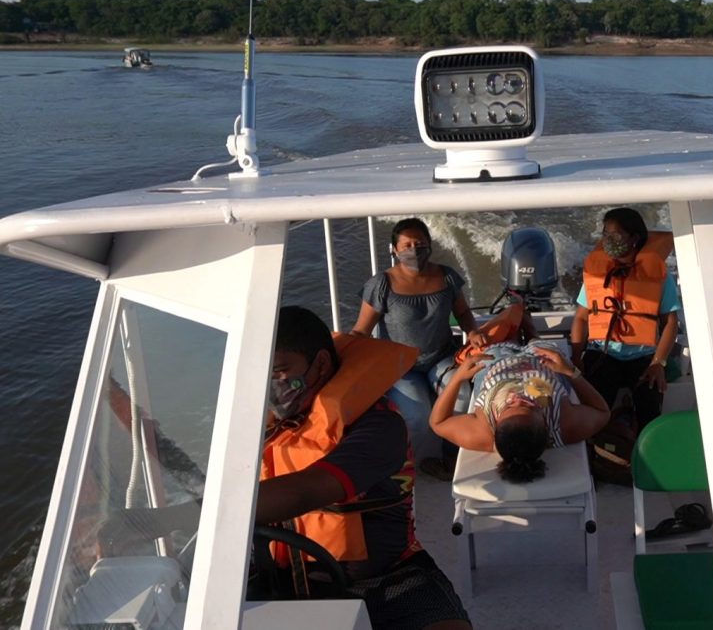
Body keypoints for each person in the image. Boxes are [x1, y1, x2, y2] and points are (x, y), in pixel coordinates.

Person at [101, 306, 472, 630]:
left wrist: (161, 520)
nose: (269, 387)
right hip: (281, 583)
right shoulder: (263, 428)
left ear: (321, 365)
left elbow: (309, 488)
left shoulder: (379, 427)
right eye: (260, 374)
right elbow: (182, 461)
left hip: (388, 580)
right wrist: (114, 395)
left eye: (278, 372)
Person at [352, 218, 485, 480]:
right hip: (401, 366)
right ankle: (424, 463)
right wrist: (346, 354)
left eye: (420, 244)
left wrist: (472, 331)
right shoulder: (381, 284)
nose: (414, 249)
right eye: (407, 245)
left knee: (461, 398)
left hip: (442, 356)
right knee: (416, 415)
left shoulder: (447, 277)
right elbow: (362, 330)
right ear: (394, 249)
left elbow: (463, 313)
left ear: (430, 246)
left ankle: (450, 456)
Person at [429, 341, 610, 483]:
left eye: (508, 407)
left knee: (499, 336)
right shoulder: (563, 423)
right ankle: (528, 327)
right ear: (545, 425)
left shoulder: (484, 432)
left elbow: (437, 422)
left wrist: (458, 377)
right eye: (531, 407)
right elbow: (602, 412)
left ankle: (519, 322)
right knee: (537, 338)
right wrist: (571, 372)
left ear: (497, 425)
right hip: (544, 359)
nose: (519, 398)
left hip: (495, 362)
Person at [570, 207, 681, 432]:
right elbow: (581, 318)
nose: (610, 241)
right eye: (606, 235)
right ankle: (600, 457)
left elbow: (671, 322)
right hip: (602, 352)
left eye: (616, 236)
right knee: (594, 411)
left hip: (643, 357)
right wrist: (576, 357)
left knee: (650, 412)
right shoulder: (596, 272)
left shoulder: (657, 274)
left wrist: (658, 363)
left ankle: (645, 456)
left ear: (634, 238)